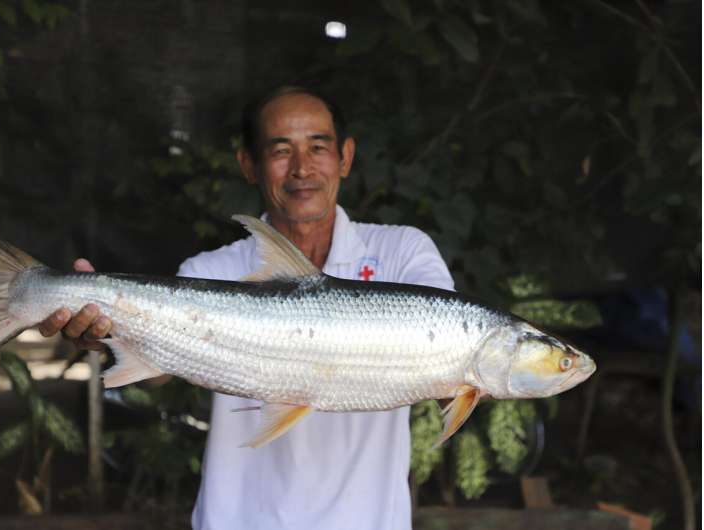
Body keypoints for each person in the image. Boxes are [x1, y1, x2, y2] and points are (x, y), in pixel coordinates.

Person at [37, 86, 454, 529]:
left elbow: (448, 364)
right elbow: (160, 367)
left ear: (345, 157)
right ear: (248, 165)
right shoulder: (210, 268)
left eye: (318, 147)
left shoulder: (404, 252)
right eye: (280, 150)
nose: (302, 168)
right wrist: (108, 331)